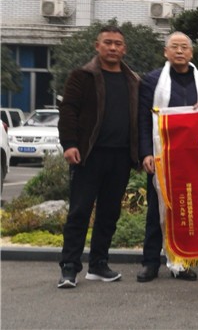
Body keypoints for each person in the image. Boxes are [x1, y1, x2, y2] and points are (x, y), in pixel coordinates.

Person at [57, 26, 140, 288]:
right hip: (88, 155)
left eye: (118, 44)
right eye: (108, 42)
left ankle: (98, 265)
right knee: (79, 212)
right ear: (97, 46)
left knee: (109, 213)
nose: (113, 47)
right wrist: (69, 144)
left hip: (121, 157)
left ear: (124, 49)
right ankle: (69, 268)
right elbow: (68, 111)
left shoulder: (133, 80)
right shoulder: (82, 76)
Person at [136, 32, 198, 283]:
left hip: (193, 159)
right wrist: (145, 153)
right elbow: (142, 119)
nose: (180, 51)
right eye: (175, 47)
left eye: (184, 47)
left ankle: (181, 262)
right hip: (161, 155)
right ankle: (150, 263)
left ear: (191, 53)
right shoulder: (152, 81)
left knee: (187, 210)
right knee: (156, 211)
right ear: (166, 52)